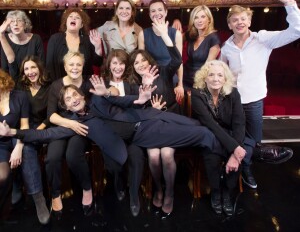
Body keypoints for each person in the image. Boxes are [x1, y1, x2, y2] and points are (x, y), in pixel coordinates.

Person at [0, 78, 246, 217]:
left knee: (197, 124)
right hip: (146, 133)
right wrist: (13, 132)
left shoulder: (98, 98)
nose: (74, 99)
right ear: (66, 107)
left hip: (151, 114)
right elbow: (47, 133)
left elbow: (122, 99)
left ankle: (233, 155)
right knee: (202, 133)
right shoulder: (77, 124)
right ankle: (238, 157)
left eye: (75, 95)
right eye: (68, 100)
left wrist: (136, 98)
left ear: (82, 95)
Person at [220, 0, 297, 189]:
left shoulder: (263, 39)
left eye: (243, 19)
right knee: (237, 139)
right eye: (234, 20)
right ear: (229, 24)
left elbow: (296, 31)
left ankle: (245, 169)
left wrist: (290, 4)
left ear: (249, 20)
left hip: (254, 100)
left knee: (254, 139)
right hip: (233, 101)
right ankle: (241, 167)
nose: (239, 22)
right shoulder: (226, 48)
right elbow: (221, 75)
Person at [129, 19, 182, 218]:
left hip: (170, 119)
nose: (140, 64)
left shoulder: (164, 72)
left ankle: (169, 193)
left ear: (149, 61)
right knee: (153, 156)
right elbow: (134, 111)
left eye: (143, 61)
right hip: (149, 124)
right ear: (133, 67)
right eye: (136, 62)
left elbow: (176, 60)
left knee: (167, 156)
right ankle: (158, 188)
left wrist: (166, 36)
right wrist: (151, 109)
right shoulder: (133, 84)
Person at [192, 60, 246, 216]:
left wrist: (235, 152)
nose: (216, 79)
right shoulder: (197, 94)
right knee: (212, 157)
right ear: (205, 78)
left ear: (225, 78)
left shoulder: (233, 93)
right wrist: (235, 148)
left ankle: (227, 193)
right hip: (209, 134)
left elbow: (239, 123)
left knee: (238, 158)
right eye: (211, 75)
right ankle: (215, 191)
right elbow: (210, 124)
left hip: (230, 134)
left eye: (220, 75)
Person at [46, 51, 94, 217]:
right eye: (71, 65)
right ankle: (55, 194)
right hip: (62, 126)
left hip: (81, 128)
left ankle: (87, 188)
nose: (75, 68)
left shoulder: (88, 84)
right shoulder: (56, 85)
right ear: (65, 67)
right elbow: (51, 115)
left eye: (78, 64)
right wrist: (70, 123)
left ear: (83, 66)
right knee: (52, 157)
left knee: (73, 156)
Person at [0, 69, 49, 224]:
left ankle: (38, 198)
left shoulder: (19, 96)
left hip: (18, 137)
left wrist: (18, 147)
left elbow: (25, 127)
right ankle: (14, 187)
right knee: (2, 176)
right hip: (0, 144)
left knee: (27, 149)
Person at [104, 49, 145, 216]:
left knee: (137, 157)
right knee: (114, 164)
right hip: (112, 135)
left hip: (133, 133)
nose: (118, 67)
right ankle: (119, 183)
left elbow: (139, 106)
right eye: (114, 63)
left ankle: (134, 196)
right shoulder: (102, 84)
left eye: (121, 63)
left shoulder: (132, 84)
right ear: (109, 65)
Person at [138, 0, 184, 102]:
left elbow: (179, 62)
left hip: (170, 75)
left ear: (166, 12)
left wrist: (180, 84)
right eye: (153, 11)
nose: (157, 13)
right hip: (152, 76)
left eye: (160, 10)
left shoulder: (176, 34)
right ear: (149, 15)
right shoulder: (143, 34)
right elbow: (141, 62)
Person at [46, 8, 103, 81]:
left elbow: (97, 63)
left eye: (77, 17)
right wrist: (55, 87)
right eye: (70, 16)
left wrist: (98, 47)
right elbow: (49, 66)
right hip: (60, 86)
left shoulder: (87, 40)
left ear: (81, 25)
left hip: (84, 86)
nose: (73, 18)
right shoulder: (55, 39)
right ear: (66, 22)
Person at [0, 10, 44, 81]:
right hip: (13, 81)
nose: (15, 24)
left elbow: (41, 64)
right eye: (12, 21)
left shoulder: (36, 38)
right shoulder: (5, 39)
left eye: (19, 20)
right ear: (8, 25)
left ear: (25, 23)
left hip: (33, 79)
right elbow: (4, 68)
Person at [183, 5, 220, 89]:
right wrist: (176, 20)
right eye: (196, 17)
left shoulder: (213, 37)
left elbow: (208, 66)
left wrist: (198, 85)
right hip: (185, 77)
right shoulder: (191, 34)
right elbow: (175, 39)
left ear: (209, 20)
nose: (199, 21)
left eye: (203, 17)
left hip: (201, 81)